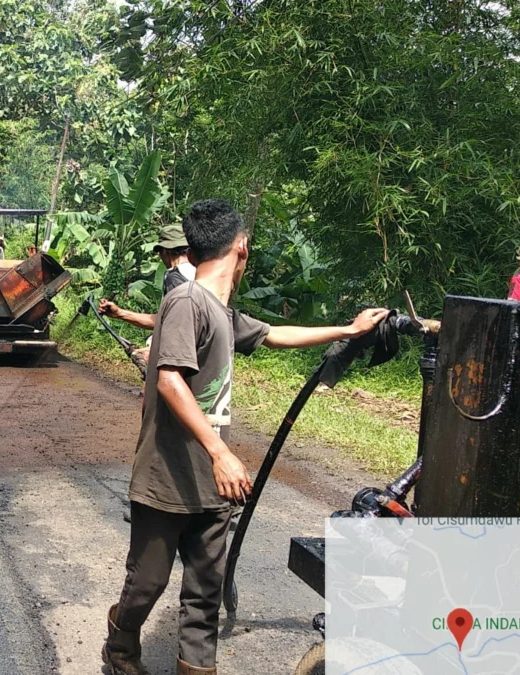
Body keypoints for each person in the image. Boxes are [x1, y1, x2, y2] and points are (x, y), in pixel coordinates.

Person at [102, 199, 389, 675]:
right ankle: (119, 643)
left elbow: (275, 334)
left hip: (212, 485)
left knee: (204, 595)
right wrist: (221, 453)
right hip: (167, 478)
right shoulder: (186, 301)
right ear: (241, 246)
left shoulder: (221, 311)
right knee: (146, 584)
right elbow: (169, 378)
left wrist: (349, 328)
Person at [97, 223, 196, 370]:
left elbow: (177, 325)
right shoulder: (199, 273)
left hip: (179, 358)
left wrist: (153, 351)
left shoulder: (175, 277)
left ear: (164, 251)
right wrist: (120, 313)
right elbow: (165, 319)